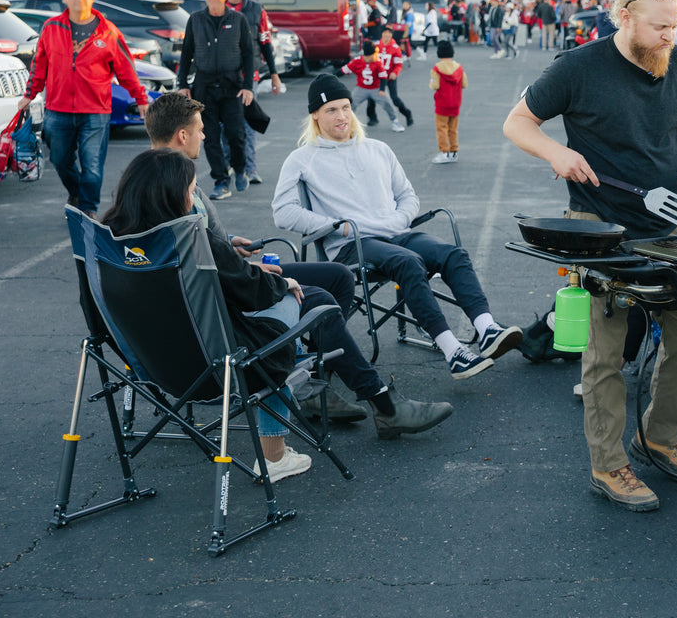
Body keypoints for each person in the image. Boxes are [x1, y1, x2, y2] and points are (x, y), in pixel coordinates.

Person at [503, 0, 677, 512]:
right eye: (660, 27)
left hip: (665, 226)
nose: (671, 35)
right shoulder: (577, 68)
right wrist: (557, 152)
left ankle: (659, 438)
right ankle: (609, 464)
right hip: (595, 228)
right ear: (624, 16)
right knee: (605, 350)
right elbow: (517, 123)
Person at [143, 96, 452, 437]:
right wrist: (271, 280)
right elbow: (207, 259)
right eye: (201, 130)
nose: (205, 137)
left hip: (215, 281)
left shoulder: (150, 181)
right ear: (182, 136)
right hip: (221, 301)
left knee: (336, 277)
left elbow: (193, 246)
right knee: (317, 299)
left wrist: (226, 241)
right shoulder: (177, 186)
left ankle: (315, 382)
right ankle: (382, 403)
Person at [273, 75, 524, 381]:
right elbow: (283, 212)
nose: (341, 116)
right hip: (353, 244)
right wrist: (336, 227)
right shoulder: (302, 158)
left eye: (346, 107)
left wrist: (399, 218)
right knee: (408, 262)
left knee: (452, 254)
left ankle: (486, 329)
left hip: (396, 233)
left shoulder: (378, 149)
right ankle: (453, 352)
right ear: (315, 114)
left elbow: (407, 196)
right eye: (331, 110)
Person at [16, 0, 148, 218]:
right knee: (59, 159)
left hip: (95, 111)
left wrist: (140, 98)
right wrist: (30, 93)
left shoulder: (108, 32)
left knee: (92, 166)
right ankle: (76, 192)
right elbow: (39, 64)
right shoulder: (51, 28)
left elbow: (126, 68)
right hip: (58, 109)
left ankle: (87, 209)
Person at [176, 0, 254, 201]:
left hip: (232, 86)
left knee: (236, 134)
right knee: (209, 136)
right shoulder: (196, 19)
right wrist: (183, 84)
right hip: (204, 85)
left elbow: (249, 54)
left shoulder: (238, 19)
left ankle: (239, 169)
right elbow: (187, 53)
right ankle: (221, 180)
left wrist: (248, 86)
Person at [222, 0, 282, 186]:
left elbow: (265, 43)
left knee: (247, 121)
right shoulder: (217, 8)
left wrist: (274, 74)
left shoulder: (257, 10)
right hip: (223, 76)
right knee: (224, 123)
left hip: (249, 76)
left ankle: (250, 167)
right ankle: (228, 165)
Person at [341, 39, 400, 130]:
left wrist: (382, 90)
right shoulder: (356, 61)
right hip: (361, 88)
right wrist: (330, 77)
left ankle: (395, 122)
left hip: (376, 89)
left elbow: (383, 77)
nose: (376, 56)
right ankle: (347, 124)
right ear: (368, 55)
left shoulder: (378, 62)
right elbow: (342, 71)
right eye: (374, 54)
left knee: (387, 103)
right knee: (350, 104)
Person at [428, 40, 466, 164]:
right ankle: (454, 152)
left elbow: (435, 85)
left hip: (442, 103)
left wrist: (431, 83)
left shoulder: (436, 68)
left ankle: (444, 152)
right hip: (455, 103)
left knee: (442, 128)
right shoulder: (459, 68)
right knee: (453, 129)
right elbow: (464, 84)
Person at [375, 27, 413, 128]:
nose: (387, 35)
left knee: (394, 98)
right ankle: (372, 117)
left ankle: (407, 114)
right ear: (381, 34)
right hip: (377, 77)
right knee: (371, 97)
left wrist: (395, 73)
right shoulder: (376, 46)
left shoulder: (395, 47)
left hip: (390, 76)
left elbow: (398, 65)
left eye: (389, 33)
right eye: (385, 33)